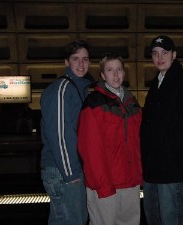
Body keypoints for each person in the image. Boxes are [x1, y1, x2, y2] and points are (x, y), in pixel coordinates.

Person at [140, 35, 183, 225]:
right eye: (155, 53)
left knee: (172, 217)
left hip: (172, 166)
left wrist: (167, 144)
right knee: (154, 216)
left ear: (174, 55)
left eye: (165, 53)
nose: (159, 57)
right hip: (154, 166)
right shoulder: (157, 82)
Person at [77, 54, 142, 225]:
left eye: (119, 69)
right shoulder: (94, 103)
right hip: (106, 184)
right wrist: (102, 185)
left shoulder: (131, 102)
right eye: (110, 70)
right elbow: (90, 150)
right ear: (103, 75)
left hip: (130, 183)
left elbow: (137, 144)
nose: (115, 74)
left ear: (124, 73)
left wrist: (138, 177)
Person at [40, 40, 93, 225]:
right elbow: (60, 134)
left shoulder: (79, 89)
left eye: (85, 59)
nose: (81, 64)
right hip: (63, 170)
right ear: (66, 62)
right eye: (75, 59)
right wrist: (71, 174)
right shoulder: (63, 89)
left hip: (69, 168)